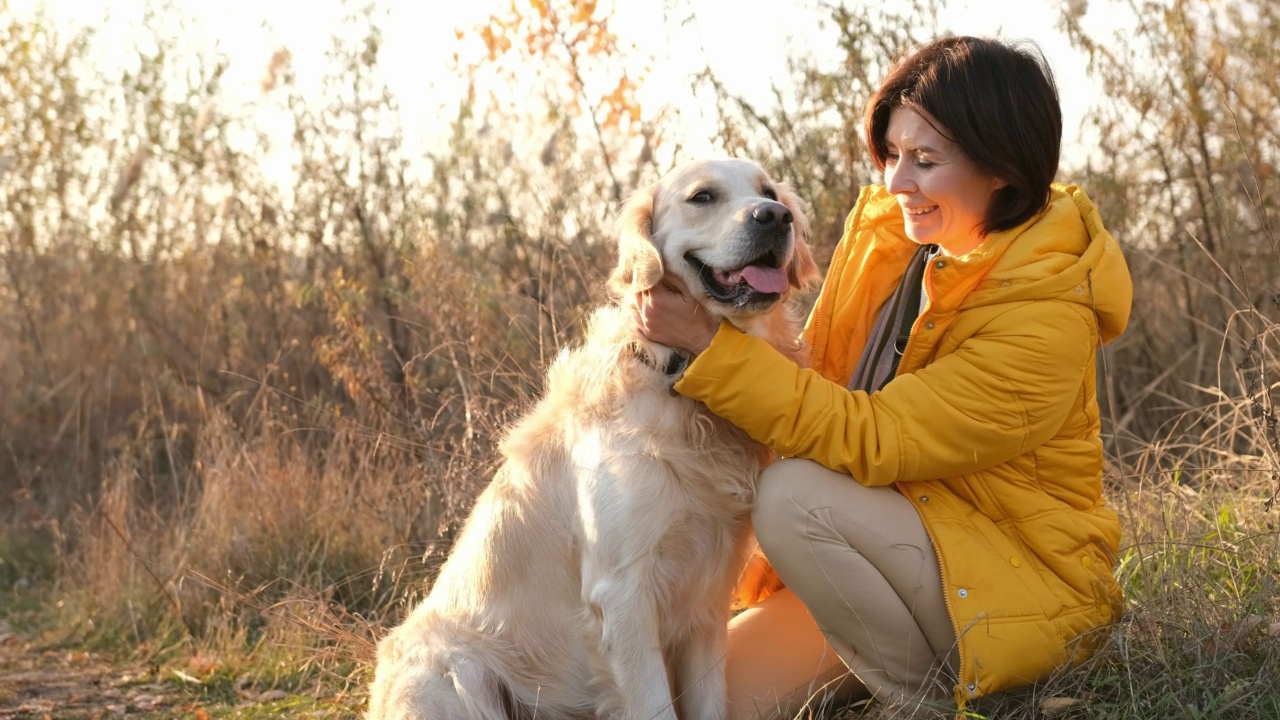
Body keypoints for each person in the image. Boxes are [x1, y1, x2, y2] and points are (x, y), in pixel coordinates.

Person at [632, 36, 1132, 717]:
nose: (897, 182)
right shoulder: (898, 248)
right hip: (884, 559)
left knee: (791, 496)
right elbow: (809, 377)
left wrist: (704, 347)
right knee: (698, 699)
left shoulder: (1045, 309)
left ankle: (928, 701)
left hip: (1014, 587)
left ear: (1003, 171)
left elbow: (873, 437)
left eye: (925, 160)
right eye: (893, 155)